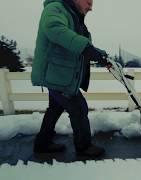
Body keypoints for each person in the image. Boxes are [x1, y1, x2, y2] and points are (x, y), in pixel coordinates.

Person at [31, 0, 108, 157]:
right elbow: (54, 29)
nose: (90, 7)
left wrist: (100, 54)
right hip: (57, 75)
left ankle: (42, 143)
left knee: (55, 108)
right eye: (88, 2)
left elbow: (78, 42)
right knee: (79, 108)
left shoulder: (72, 15)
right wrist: (86, 47)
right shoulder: (56, 8)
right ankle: (84, 147)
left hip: (59, 75)